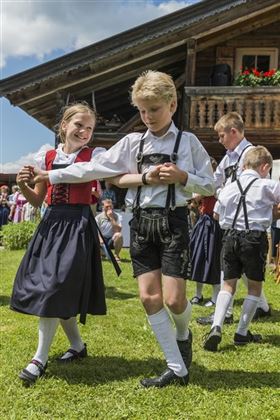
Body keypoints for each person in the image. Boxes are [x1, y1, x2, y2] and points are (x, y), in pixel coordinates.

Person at [27, 70, 215, 388]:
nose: (147, 116)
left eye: (153, 109)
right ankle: (176, 367)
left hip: (174, 223)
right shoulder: (132, 142)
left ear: (172, 104)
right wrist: (53, 175)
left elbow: (210, 186)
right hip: (141, 224)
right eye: (142, 110)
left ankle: (184, 333)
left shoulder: (189, 143)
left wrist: (183, 177)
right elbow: (94, 168)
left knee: (174, 300)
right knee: (148, 297)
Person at [10, 103, 110, 386]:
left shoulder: (94, 156)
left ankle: (39, 359)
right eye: (79, 125)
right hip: (51, 224)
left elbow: (87, 174)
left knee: (55, 286)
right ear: (64, 125)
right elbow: (39, 200)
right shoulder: (49, 156)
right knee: (56, 288)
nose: (84, 132)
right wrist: (22, 187)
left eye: (90, 128)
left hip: (77, 225)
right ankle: (77, 346)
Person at [197, 112, 271, 326]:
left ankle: (226, 314)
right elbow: (216, 179)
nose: (220, 141)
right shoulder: (230, 155)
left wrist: (219, 193)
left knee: (229, 268)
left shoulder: (250, 155)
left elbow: (235, 187)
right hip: (233, 218)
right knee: (242, 266)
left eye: (222, 136)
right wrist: (198, 191)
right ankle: (263, 306)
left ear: (234, 132)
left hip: (243, 220)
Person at [203, 146, 280, 351]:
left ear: (245, 164)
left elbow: (217, 215)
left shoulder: (229, 187)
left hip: (229, 238)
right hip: (254, 238)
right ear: (264, 166)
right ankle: (241, 332)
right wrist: (271, 213)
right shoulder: (268, 185)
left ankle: (216, 325)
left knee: (228, 285)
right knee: (254, 287)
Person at [190, 157, 222, 307]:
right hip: (203, 221)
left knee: (213, 260)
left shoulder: (217, 181)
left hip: (215, 224)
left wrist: (200, 193)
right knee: (198, 258)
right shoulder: (204, 181)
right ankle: (198, 294)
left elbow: (200, 195)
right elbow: (195, 200)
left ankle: (215, 297)